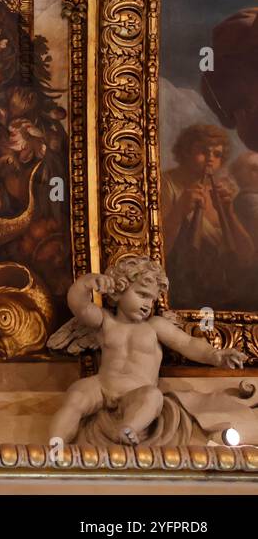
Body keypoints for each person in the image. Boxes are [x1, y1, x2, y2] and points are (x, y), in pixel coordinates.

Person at [49, 256, 246, 445]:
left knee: (153, 397)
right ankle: (55, 445)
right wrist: (86, 283)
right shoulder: (105, 321)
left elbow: (187, 344)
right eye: (142, 295)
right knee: (75, 396)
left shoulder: (154, 326)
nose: (147, 305)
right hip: (102, 386)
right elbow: (78, 305)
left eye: (151, 299)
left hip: (136, 391)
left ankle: (128, 428)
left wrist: (215, 355)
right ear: (118, 292)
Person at [162, 124, 253, 308]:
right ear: (185, 152)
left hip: (226, 289)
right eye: (203, 151)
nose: (211, 159)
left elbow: (247, 256)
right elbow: (157, 250)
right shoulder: (166, 183)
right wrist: (180, 210)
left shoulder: (226, 190)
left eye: (217, 154)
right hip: (183, 290)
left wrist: (228, 213)